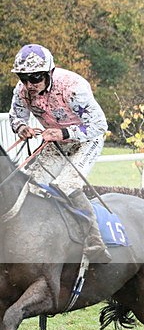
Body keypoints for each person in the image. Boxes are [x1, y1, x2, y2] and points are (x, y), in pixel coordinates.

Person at [8, 44, 111, 263]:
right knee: (30, 184)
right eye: (23, 78)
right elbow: (15, 115)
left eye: (35, 78)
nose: (29, 85)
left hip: (86, 140)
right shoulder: (22, 90)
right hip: (55, 143)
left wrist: (64, 132)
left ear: (48, 73)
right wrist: (21, 128)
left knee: (66, 184)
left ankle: (95, 240)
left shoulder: (73, 87)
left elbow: (100, 125)